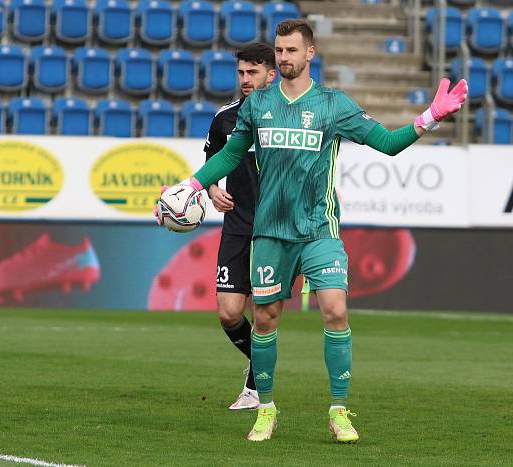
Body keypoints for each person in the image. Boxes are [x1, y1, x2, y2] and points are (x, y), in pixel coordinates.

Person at [171, 19, 466, 443]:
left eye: (292, 50)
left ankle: (339, 411)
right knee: (266, 320)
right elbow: (230, 155)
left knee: (336, 311)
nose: (284, 58)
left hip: (318, 230)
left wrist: (431, 117)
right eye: (280, 51)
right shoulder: (257, 106)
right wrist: (193, 185)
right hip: (269, 233)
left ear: (311, 53)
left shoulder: (333, 104)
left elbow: (386, 142)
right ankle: (266, 409)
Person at [203, 43, 277, 411]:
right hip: (236, 224)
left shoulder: (289, 116)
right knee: (229, 313)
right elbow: (212, 160)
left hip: (275, 228)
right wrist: (213, 189)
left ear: (271, 74)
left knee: (265, 313)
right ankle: (258, 360)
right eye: (241, 73)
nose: (246, 79)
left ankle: (255, 392)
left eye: (253, 72)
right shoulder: (225, 118)